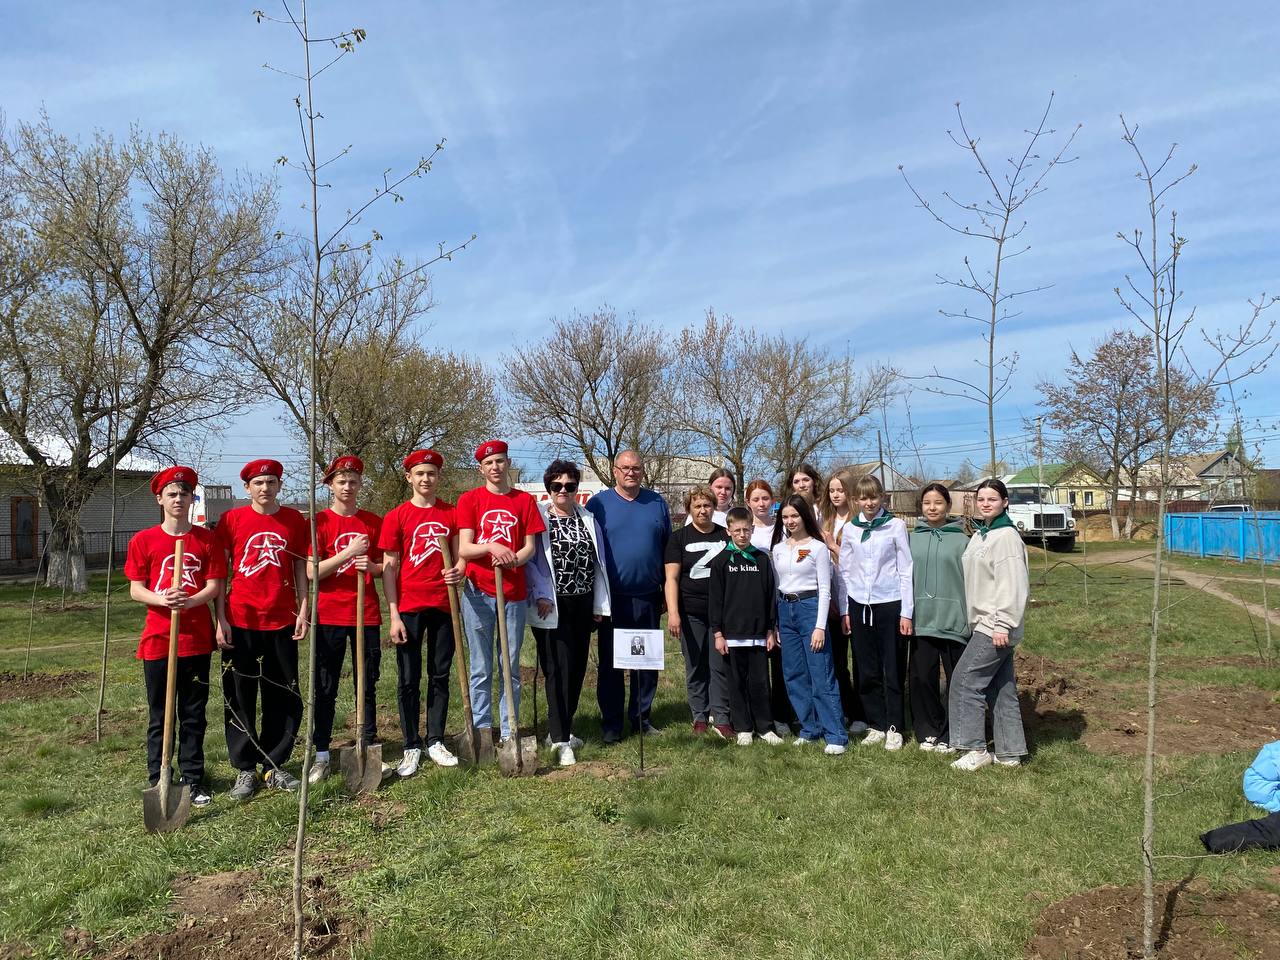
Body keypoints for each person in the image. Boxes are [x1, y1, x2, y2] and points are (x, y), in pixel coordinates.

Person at [125, 466, 226, 806]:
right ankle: (159, 776)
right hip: (158, 640)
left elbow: (213, 585)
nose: (178, 499)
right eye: (171, 494)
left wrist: (191, 599)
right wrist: (163, 598)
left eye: (184, 494)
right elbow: (136, 590)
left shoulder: (205, 539)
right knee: (160, 714)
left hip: (195, 640)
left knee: (194, 712)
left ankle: (193, 779)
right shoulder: (144, 540)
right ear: (160, 499)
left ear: (191, 498)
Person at [213, 458, 308, 800]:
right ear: (247, 488)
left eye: (270, 482)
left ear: (279, 485)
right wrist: (221, 618)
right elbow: (220, 573)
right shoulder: (232, 520)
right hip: (241, 621)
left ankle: (274, 763)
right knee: (239, 696)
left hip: (281, 619)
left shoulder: (294, 520)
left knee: (281, 694)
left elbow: (300, 567)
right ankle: (244, 768)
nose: (265, 488)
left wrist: (303, 609)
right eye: (258, 483)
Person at [379, 449, 464, 776]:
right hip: (410, 606)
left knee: (439, 675)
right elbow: (388, 568)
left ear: (438, 477)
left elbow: (460, 557)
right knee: (408, 678)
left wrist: (459, 570)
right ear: (409, 478)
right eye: (420, 474)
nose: (426, 479)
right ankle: (411, 744)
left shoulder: (451, 514)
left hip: (444, 606)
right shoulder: (396, 516)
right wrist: (394, 614)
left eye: (431, 473)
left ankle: (435, 740)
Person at [457, 440, 544, 742]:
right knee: (481, 666)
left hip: (513, 593)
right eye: (489, 463)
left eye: (500, 461)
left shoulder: (524, 501)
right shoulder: (470, 500)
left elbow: (530, 547)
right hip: (477, 592)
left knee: (510, 665)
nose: (495, 467)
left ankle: (509, 730)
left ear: (508, 464)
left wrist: (512, 561)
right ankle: (482, 731)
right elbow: (465, 548)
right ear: (481, 469)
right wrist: (492, 546)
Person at [527, 459, 611, 767]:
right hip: (551, 603)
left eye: (570, 486)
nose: (563, 491)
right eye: (557, 486)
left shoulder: (587, 518)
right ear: (549, 488)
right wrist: (540, 594)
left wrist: (599, 605)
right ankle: (560, 738)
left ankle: (564, 727)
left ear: (577, 489)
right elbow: (531, 562)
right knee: (557, 668)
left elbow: (597, 563)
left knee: (576, 668)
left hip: (583, 602)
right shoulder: (539, 519)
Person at [306, 455, 384, 784]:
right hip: (331, 614)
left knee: (366, 683)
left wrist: (372, 568)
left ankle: (365, 743)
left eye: (353, 481)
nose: (348, 487)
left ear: (360, 484)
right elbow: (312, 572)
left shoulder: (372, 522)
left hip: (365, 613)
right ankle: (321, 752)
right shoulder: (319, 523)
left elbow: (383, 568)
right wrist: (347, 554)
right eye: (341, 481)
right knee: (325, 685)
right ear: (331, 486)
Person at [587, 450, 671, 742]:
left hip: (648, 595)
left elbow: (667, 549)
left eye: (636, 468)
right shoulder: (599, 504)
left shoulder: (657, 503)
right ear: (614, 470)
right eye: (625, 468)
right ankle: (611, 722)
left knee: (645, 660)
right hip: (612, 597)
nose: (631, 472)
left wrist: (665, 592)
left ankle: (641, 718)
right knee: (612, 662)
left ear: (643, 471)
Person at [949, 478, 1030, 771]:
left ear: (1005, 502)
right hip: (984, 622)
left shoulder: (1006, 536)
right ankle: (1009, 753)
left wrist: (1003, 624)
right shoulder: (981, 535)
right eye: (981, 499)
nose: (985, 503)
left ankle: (975, 748)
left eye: (992, 499)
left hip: (995, 624)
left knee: (964, 680)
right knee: (1001, 687)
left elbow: (1012, 583)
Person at [836, 474, 913, 751]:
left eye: (873, 497)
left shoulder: (895, 526)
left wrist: (907, 612)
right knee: (866, 669)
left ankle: (894, 725)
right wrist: (845, 609)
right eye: (863, 498)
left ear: (883, 497)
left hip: (889, 603)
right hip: (859, 605)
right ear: (856, 500)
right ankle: (876, 723)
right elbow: (844, 572)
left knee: (891, 667)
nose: (869, 502)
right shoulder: (852, 529)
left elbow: (906, 569)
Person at [770, 495, 847, 755]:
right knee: (793, 674)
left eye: (795, 516)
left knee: (821, 674)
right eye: (786, 517)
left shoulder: (817, 548)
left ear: (805, 516)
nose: (790, 521)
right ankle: (810, 729)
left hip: (810, 608)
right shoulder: (778, 549)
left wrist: (819, 626)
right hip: (785, 610)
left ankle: (836, 735)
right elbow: (776, 586)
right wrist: (777, 623)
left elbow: (825, 589)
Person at [709, 507, 781, 746]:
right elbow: (716, 600)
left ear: (752, 529)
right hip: (731, 636)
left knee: (760, 682)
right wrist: (718, 633)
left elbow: (770, 595)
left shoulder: (762, 559)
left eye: (746, 530)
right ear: (728, 531)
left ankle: (765, 727)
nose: (742, 535)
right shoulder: (721, 562)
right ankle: (743, 728)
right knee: (737, 683)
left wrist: (770, 628)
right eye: (737, 531)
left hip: (759, 634)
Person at [908, 483, 971, 754]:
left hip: (954, 620)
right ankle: (928, 730)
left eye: (938, 503)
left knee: (957, 681)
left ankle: (952, 733)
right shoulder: (911, 538)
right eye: (927, 503)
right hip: (921, 619)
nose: (932, 508)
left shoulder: (963, 540)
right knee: (922, 678)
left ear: (948, 506)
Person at [664, 486, 731, 737]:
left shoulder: (726, 537)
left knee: (719, 666)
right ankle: (699, 717)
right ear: (689, 509)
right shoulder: (679, 538)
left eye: (707, 505)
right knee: (695, 666)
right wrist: (673, 613)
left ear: (714, 508)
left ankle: (722, 717)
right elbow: (671, 578)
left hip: (721, 615)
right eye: (697, 506)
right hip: (691, 611)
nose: (703, 510)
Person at [819, 467, 866, 734]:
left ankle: (862, 714)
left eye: (841, 490)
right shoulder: (825, 519)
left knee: (859, 660)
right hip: (831, 599)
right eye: (832, 490)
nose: (836, 495)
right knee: (837, 661)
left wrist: (833, 547)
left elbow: (860, 561)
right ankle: (845, 710)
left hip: (855, 596)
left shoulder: (858, 522)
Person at [746, 479, 793, 736]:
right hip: (753, 604)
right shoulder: (744, 529)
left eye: (765, 498)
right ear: (748, 503)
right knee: (756, 664)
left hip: (781, 599)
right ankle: (757, 716)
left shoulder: (782, 528)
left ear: (772, 500)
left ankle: (782, 715)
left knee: (781, 662)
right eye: (756, 499)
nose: (761, 504)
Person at [1200, 740, 1280, 853]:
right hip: (1265, 792)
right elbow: (1256, 786)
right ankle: (1219, 839)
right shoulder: (1274, 754)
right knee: (1268, 831)